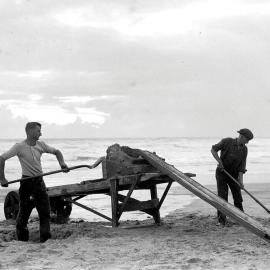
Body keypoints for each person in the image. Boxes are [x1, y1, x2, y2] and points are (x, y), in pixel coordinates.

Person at [0, 122, 69, 242]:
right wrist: (2, 178)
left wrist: (62, 164)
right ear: (30, 131)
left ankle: (45, 239)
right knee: (23, 214)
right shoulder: (19, 146)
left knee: (45, 212)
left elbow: (57, 151)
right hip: (26, 183)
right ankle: (22, 240)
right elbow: (1, 158)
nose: (40, 133)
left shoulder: (41, 145)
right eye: (38, 131)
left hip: (39, 182)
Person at [211, 128, 254, 226]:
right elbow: (213, 150)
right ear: (242, 136)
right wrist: (219, 162)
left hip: (233, 175)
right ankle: (221, 221)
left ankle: (241, 218)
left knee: (238, 197)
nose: (247, 142)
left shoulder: (244, 149)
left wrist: (241, 181)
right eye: (247, 140)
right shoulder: (226, 142)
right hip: (222, 173)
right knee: (222, 197)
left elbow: (242, 167)